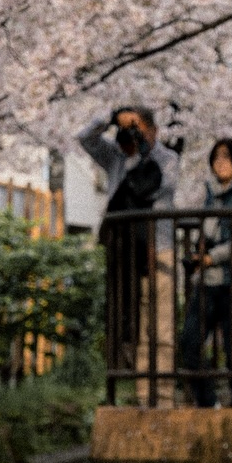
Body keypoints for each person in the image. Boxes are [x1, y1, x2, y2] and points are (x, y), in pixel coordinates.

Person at [78, 105, 179, 404]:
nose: (131, 134)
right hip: (125, 254)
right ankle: (141, 393)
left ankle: (160, 397)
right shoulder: (116, 157)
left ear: (153, 130)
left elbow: (160, 187)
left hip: (158, 250)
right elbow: (85, 139)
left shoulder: (167, 158)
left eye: (137, 127)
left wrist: (146, 151)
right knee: (130, 325)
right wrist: (110, 118)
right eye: (127, 128)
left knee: (160, 327)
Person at [180, 137, 232, 408]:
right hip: (209, 279)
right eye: (216, 157)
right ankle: (207, 401)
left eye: (226, 157)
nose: (220, 163)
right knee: (190, 341)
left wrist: (211, 257)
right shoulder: (211, 193)